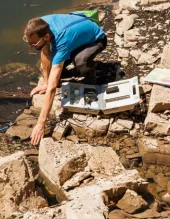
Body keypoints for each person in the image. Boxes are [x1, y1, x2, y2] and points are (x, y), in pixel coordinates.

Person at [23, 13, 107, 146]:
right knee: (54, 73)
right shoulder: (40, 24)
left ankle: (92, 83)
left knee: (81, 62)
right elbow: (45, 52)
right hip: (75, 37)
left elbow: (52, 88)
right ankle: (77, 63)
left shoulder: (62, 41)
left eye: (33, 43)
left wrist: (41, 123)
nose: (30, 47)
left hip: (96, 40)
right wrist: (46, 82)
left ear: (46, 36)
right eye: (28, 42)